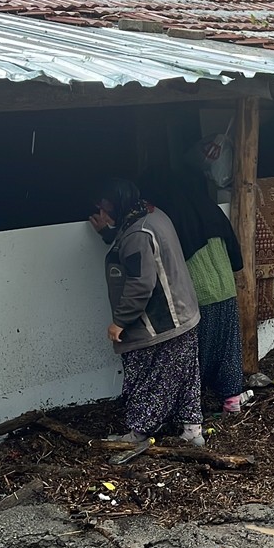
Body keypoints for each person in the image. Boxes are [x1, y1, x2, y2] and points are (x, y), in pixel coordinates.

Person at [90, 178, 205, 446]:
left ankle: (139, 432)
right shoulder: (151, 213)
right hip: (184, 314)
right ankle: (192, 430)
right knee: (186, 374)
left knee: (147, 378)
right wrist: (108, 233)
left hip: (162, 322)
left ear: (119, 206)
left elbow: (140, 283)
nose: (102, 214)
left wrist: (119, 321)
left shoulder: (137, 234)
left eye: (106, 209)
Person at [138, 170, 246, 413]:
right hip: (225, 286)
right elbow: (232, 245)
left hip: (197, 292)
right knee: (228, 345)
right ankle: (232, 400)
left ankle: (190, 407)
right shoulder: (209, 207)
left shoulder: (169, 216)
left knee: (195, 353)